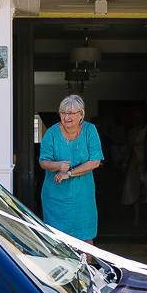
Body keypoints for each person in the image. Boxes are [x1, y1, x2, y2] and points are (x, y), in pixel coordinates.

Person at [39, 94, 104, 244]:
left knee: (85, 239)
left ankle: (84, 268)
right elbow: (43, 161)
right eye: (63, 113)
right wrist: (58, 165)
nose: (66, 117)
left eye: (71, 113)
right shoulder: (52, 133)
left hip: (83, 196)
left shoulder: (89, 130)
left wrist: (69, 173)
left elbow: (95, 161)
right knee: (57, 242)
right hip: (55, 197)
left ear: (81, 115)